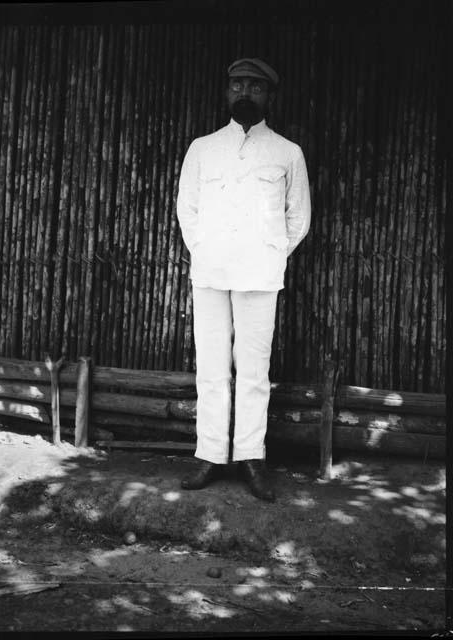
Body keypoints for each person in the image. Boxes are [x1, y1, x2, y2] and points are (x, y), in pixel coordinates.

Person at [176, 58, 311, 501]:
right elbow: (187, 211)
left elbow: (299, 218)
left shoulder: (287, 152)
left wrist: (269, 253)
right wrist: (208, 250)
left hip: (260, 275)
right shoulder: (202, 148)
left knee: (253, 371)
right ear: (226, 91)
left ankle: (251, 456)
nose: (244, 92)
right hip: (211, 273)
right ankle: (210, 454)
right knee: (211, 369)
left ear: (268, 95)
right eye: (237, 84)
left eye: (254, 86)